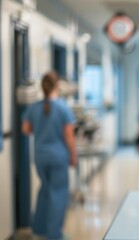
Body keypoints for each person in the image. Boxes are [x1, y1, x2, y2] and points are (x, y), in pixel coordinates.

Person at [22, 71, 77, 240]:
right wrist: (74, 156)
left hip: (40, 156)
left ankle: (39, 231)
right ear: (57, 86)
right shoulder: (62, 108)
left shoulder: (34, 107)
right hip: (58, 157)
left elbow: (26, 130)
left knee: (45, 190)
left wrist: (41, 129)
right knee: (58, 194)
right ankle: (54, 234)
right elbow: (69, 136)